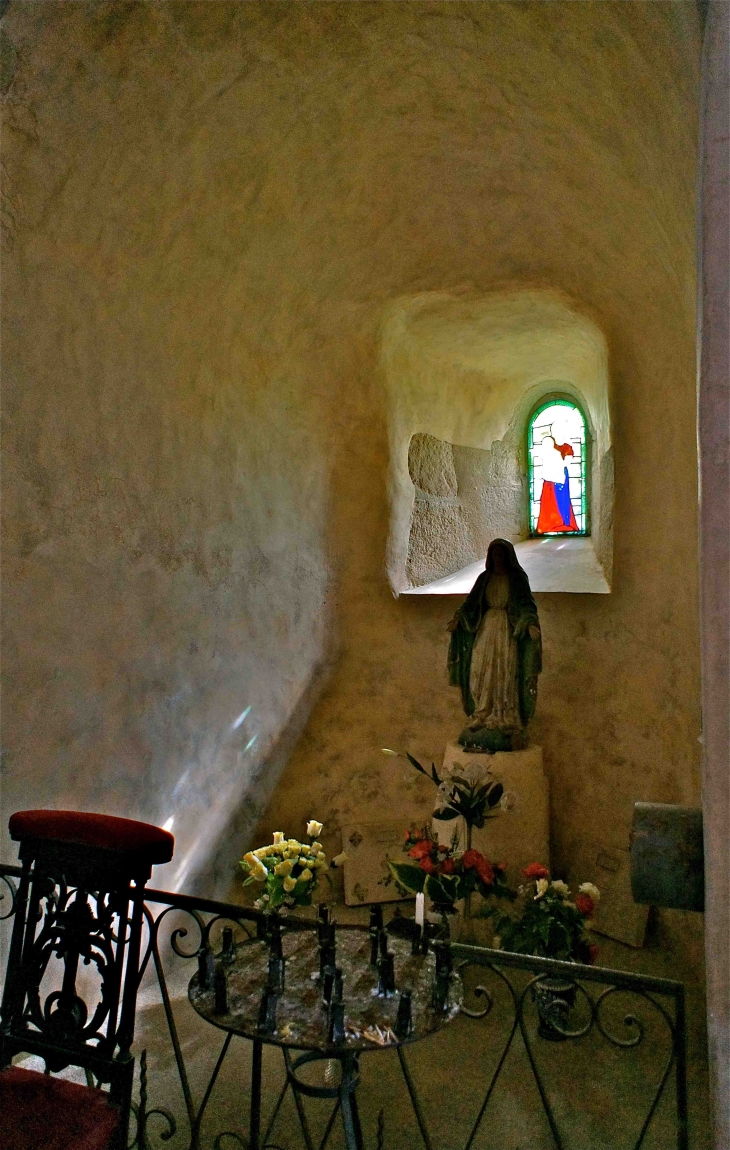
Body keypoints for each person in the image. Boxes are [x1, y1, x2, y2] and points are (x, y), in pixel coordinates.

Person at [447, 539, 542, 750]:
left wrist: (529, 625)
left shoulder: (517, 578)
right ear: (491, 557)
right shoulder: (484, 578)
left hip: (507, 630)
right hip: (486, 628)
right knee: (479, 671)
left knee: (503, 671)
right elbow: (471, 603)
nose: (498, 558)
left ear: (508, 557)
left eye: (501, 554)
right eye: (494, 554)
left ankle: (503, 716)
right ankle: (481, 713)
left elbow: (527, 605)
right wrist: (458, 619)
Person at [536, 435, 578, 533]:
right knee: (548, 501)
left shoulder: (560, 451)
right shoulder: (547, 452)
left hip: (557, 479)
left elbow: (562, 465)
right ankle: (549, 524)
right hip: (549, 481)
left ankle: (562, 522)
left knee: (560, 500)